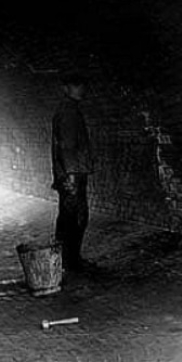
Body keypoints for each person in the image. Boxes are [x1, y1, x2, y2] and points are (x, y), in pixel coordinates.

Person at [52, 74, 94, 271]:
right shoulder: (69, 111)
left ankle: (66, 260)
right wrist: (71, 175)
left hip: (70, 173)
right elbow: (67, 146)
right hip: (73, 174)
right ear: (66, 88)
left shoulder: (67, 109)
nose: (81, 89)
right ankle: (71, 261)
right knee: (77, 217)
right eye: (76, 85)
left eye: (81, 85)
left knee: (68, 218)